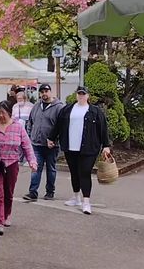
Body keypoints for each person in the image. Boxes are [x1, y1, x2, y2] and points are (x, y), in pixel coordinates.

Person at [47, 86, 111, 215]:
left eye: (83, 94)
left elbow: (103, 129)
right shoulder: (67, 110)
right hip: (70, 147)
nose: (81, 96)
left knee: (85, 172)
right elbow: (58, 125)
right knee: (74, 172)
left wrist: (106, 145)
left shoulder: (95, 111)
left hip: (89, 148)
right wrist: (51, 138)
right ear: (76, 95)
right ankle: (76, 197)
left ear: (88, 96)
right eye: (79, 93)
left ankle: (86, 201)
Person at [0, 101, 37, 235]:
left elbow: (27, 145)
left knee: (8, 192)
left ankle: (7, 214)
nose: (1, 116)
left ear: (10, 113)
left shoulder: (18, 127)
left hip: (12, 164)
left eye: (3, 113)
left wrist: (32, 161)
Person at [24, 83, 64, 201]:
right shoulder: (36, 106)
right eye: (42, 92)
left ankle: (50, 192)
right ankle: (33, 192)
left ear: (51, 92)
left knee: (51, 169)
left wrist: (55, 140)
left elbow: (62, 126)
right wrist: (30, 136)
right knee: (36, 168)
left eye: (46, 91)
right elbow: (30, 122)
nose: (44, 94)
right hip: (37, 144)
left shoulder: (58, 107)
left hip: (52, 145)